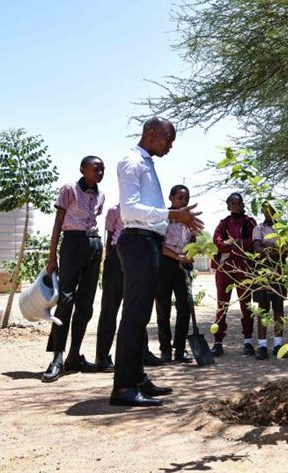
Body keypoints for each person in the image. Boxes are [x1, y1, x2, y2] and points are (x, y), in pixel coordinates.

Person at [111, 117, 203, 407]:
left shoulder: (147, 163)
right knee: (134, 316)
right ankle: (124, 388)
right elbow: (130, 209)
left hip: (148, 242)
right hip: (137, 240)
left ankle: (137, 379)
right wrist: (173, 214)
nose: (170, 145)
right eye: (167, 139)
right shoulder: (131, 162)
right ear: (150, 134)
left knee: (140, 316)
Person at [42, 156, 106, 382]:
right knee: (65, 300)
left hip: (94, 245)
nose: (100, 172)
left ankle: (74, 356)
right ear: (83, 169)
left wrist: (98, 248)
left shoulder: (101, 194)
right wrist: (52, 257)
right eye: (95, 168)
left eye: (102, 169)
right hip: (72, 243)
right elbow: (58, 223)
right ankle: (57, 357)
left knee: (86, 303)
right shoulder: (69, 189)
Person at [95, 204, 159, 372]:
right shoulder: (114, 210)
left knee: (137, 307)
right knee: (110, 307)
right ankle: (102, 356)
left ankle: (142, 352)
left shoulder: (146, 210)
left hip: (138, 255)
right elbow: (109, 238)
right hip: (117, 255)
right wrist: (110, 262)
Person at [211, 193, 258, 357]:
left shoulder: (249, 222)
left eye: (238, 203)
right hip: (225, 268)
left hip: (244, 268)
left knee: (246, 305)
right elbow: (217, 243)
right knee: (222, 305)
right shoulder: (224, 223)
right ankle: (218, 342)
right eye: (232, 203)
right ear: (228, 206)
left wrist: (235, 243)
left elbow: (254, 241)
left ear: (243, 204)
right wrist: (235, 245)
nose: (235, 206)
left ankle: (247, 341)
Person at [156, 185, 194, 363]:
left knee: (185, 307)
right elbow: (159, 245)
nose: (183, 201)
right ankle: (165, 349)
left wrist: (189, 255)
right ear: (171, 198)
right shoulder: (164, 217)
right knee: (163, 308)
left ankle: (180, 349)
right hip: (164, 265)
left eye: (186, 198)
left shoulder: (189, 220)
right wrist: (176, 256)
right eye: (180, 198)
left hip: (182, 267)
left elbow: (192, 240)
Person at [251, 203, 286, 360]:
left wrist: (268, 247)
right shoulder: (258, 228)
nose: (269, 212)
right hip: (262, 270)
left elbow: (286, 249)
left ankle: (278, 344)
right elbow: (257, 248)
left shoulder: (284, 229)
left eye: (272, 210)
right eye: (266, 210)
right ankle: (262, 346)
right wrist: (275, 248)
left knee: (278, 307)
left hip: (279, 270)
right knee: (263, 308)